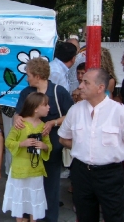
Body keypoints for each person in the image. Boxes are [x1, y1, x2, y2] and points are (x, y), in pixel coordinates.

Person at [58, 68, 124, 222]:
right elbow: (62, 138)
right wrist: (81, 147)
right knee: (84, 215)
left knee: (115, 216)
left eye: (86, 82)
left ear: (100, 88)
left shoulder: (118, 112)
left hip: (110, 174)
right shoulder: (75, 110)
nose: (80, 85)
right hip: (81, 173)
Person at [14, 57, 73, 222]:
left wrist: (53, 122)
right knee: (30, 179)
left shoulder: (58, 92)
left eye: (29, 75)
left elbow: (71, 114)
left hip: (51, 141)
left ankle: (48, 217)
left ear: (38, 76)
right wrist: (17, 119)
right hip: (30, 140)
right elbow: (19, 113)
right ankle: (27, 214)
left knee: (50, 181)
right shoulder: (26, 92)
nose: (27, 78)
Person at [3, 92, 52, 222]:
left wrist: (44, 146)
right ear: (35, 108)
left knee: (34, 198)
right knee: (20, 197)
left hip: (35, 169)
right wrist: (22, 144)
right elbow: (8, 142)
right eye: (45, 105)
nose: (49, 107)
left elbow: (48, 145)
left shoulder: (43, 126)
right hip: (20, 169)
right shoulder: (20, 124)